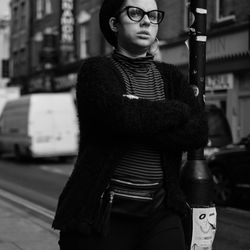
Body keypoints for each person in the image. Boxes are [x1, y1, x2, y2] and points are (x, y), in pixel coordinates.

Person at [52, 0, 208, 249]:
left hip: (161, 211)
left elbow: (198, 132)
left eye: (153, 15)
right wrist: (177, 111)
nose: (147, 21)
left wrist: (137, 116)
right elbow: (119, 117)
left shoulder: (171, 77)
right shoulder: (96, 71)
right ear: (114, 23)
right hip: (102, 212)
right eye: (135, 13)